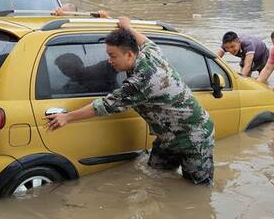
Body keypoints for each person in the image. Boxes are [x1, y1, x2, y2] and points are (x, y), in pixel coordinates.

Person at [46, 16, 215, 185]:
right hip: (168, 136)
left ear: (129, 54)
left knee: (197, 187)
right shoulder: (150, 53)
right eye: (108, 55)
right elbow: (145, 41)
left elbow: (105, 105)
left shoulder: (143, 80)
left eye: (113, 56)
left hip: (194, 137)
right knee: (157, 176)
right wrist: (128, 27)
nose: (109, 61)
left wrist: (67, 117)